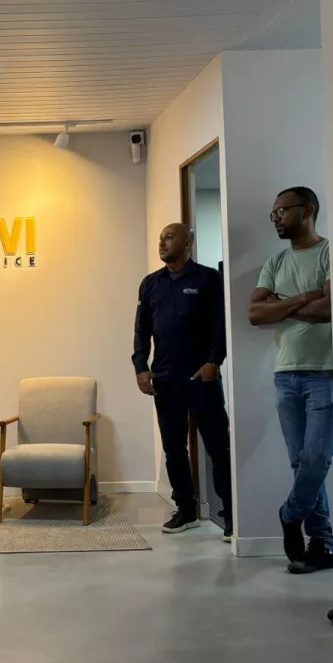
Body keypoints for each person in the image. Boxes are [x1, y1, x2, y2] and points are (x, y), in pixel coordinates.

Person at [247, 187, 333, 575]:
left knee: (317, 458)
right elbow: (255, 313)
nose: (277, 218)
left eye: (282, 210)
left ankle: (290, 513)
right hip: (285, 373)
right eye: (274, 213)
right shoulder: (276, 262)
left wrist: (280, 306)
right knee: (301, 462)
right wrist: (303, 299)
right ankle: (322, 546)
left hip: (325, 371)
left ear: (308, 210)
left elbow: (331, 308)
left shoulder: (331, 252)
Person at [133, 223, 233, 540]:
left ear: (188, 243)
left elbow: (222, 325)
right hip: (164, 380)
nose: (162, 242)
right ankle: (186, 509)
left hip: (201, 377)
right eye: (160, 238)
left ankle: (231, 514)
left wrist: (214, 361)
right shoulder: (151, 284)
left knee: (218, 446)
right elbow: (141, 330)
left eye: (169, 237)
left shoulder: (208, 279)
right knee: (174, 448)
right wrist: (140, 367)